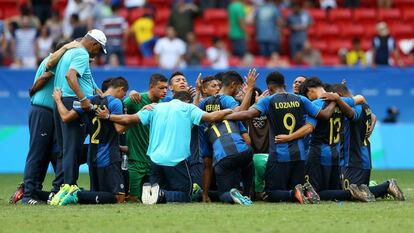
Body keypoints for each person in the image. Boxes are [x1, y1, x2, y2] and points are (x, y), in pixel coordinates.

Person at [223, 72, 342, 204]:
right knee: (294, 189)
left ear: (270, 88)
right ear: (284, 85)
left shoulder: (268, 101)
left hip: (279, 155)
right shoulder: (301, 99)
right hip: (300, 155)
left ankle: (294, 193)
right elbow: (325, 115)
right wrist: (334, 101)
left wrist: (224, 116)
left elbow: (248, 114)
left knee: (271, 194)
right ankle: (302, 191)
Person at [96, 91, 233, 204]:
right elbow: (211, 117)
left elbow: (128, 119)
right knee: (186, 195)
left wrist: (108, 116)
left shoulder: (154, 108)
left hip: (155, 160)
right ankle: (160, 193)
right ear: (187, 101)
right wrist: (229, 110)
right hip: (177, 160)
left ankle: (153, 192)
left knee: (158, 193)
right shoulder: (189, 108)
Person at [9, 40, 81, 205]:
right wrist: (33, 90)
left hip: (48, 112)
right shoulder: (55, 61)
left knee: (53, 153)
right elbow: (46, 76)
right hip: (43, 111)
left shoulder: (55, 60)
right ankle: (28, 195)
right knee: (37, 153)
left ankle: (47, 190)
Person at [51, 77, 129, 205]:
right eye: (124, 94)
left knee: (98, 195)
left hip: (92, 157)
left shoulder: (89, 100)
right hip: (109, 155)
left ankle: (76, 194)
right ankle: (77, 194)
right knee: (120, 198)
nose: (123, 97)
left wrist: (58, 101)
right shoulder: (115, 103)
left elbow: (65, 117)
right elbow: (120, 129)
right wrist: (132, 119)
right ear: (121, 90)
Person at [50, 29, 107, 205]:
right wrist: (83, 99)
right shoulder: (82, 54)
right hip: (72, 101)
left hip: (60, 101)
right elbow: (71, 76)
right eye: (99, 49)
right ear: (94, 44)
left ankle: (62, 187)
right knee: (72, 148)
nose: (97, 53)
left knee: (65, 148)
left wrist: (96, 89)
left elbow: (79, 76)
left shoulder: (70, 52)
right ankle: (69, 186)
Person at [298, 77, 373, 202]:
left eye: (307, 96)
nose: (308, 99)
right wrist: (372, 118)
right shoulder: (342, 101)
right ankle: (354, 192)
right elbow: (360, 98)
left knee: (313, 193)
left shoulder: (316, 104)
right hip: (335, 155)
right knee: (334, 193)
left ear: (310, 90)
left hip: (318, 154)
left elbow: (309, 128)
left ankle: (351, 193)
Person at [330, 84, 404, 201]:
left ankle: (386, 186)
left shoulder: (357, 108)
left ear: (339, 96)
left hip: (355, 160)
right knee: (352, 192)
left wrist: (337, 100)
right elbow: (373, 116)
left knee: (352, 194)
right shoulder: (365, 107)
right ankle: (374, 185)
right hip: (361, 158)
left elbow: (351, 114)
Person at [123, 73, 168, 202]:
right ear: (151, 86)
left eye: (166, 88)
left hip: (153, 162)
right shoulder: (135, 99)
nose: (164, 91)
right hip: (135, 160)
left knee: (149, 200)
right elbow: (118, 112)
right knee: (133, 199)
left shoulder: (162, 105)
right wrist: (129, 94)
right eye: (161, 88)